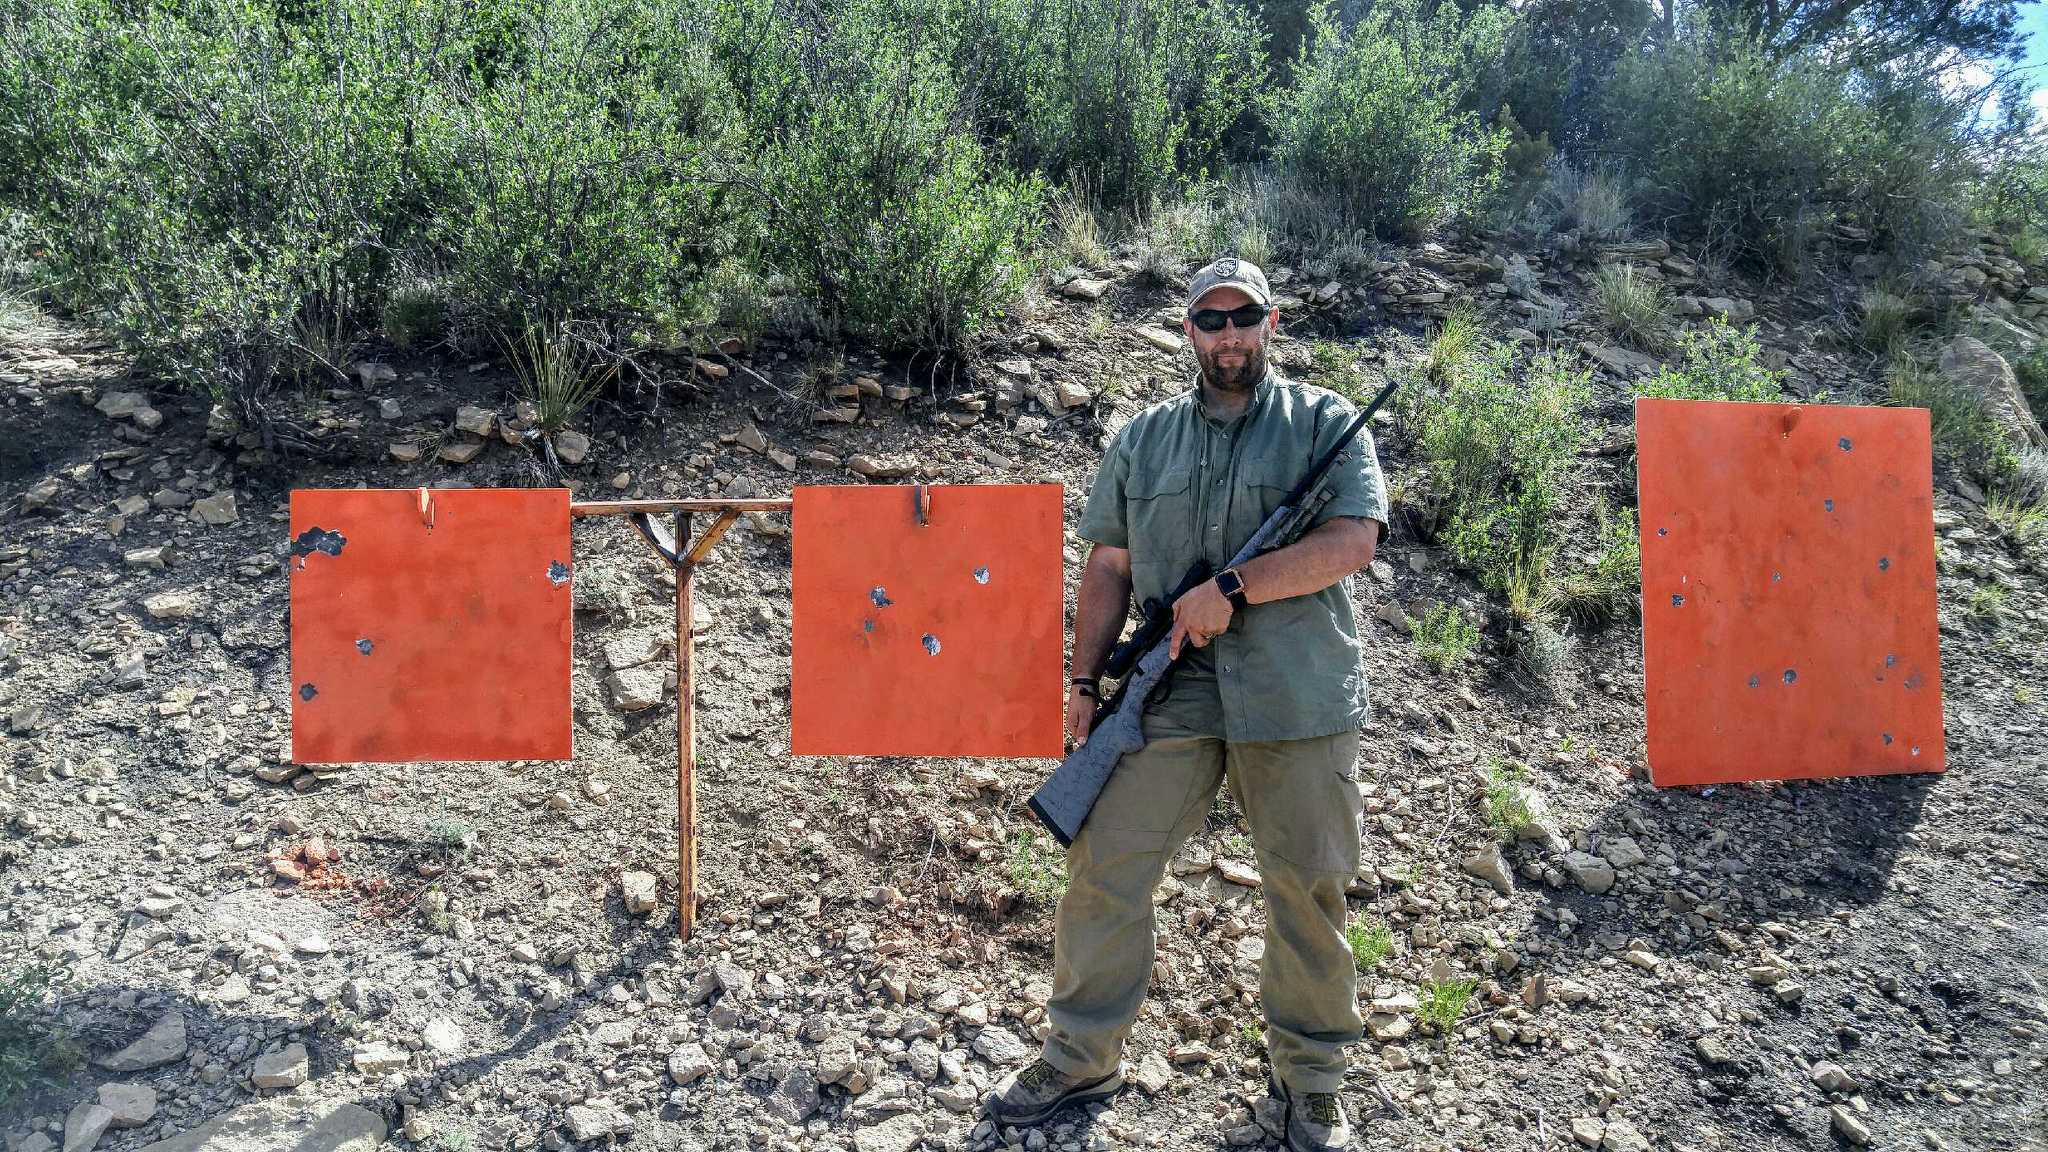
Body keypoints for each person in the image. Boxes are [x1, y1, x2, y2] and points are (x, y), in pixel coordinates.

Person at [983, 257, 1388, 1152]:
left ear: (1271, 323)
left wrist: (1235, 588)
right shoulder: (1142, 439)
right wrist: (1086, 683)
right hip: (1167, 687)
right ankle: (1081, 1055)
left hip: (1297, 692)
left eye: (1245, 316)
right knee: (1105, 867)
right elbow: (1110, 568)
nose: (1229, 334)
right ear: (1188, 331)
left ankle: (1310, 1083)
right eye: (1211, 319)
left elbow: (1352, 541)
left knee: (1306, 887)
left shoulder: (1325, 423)